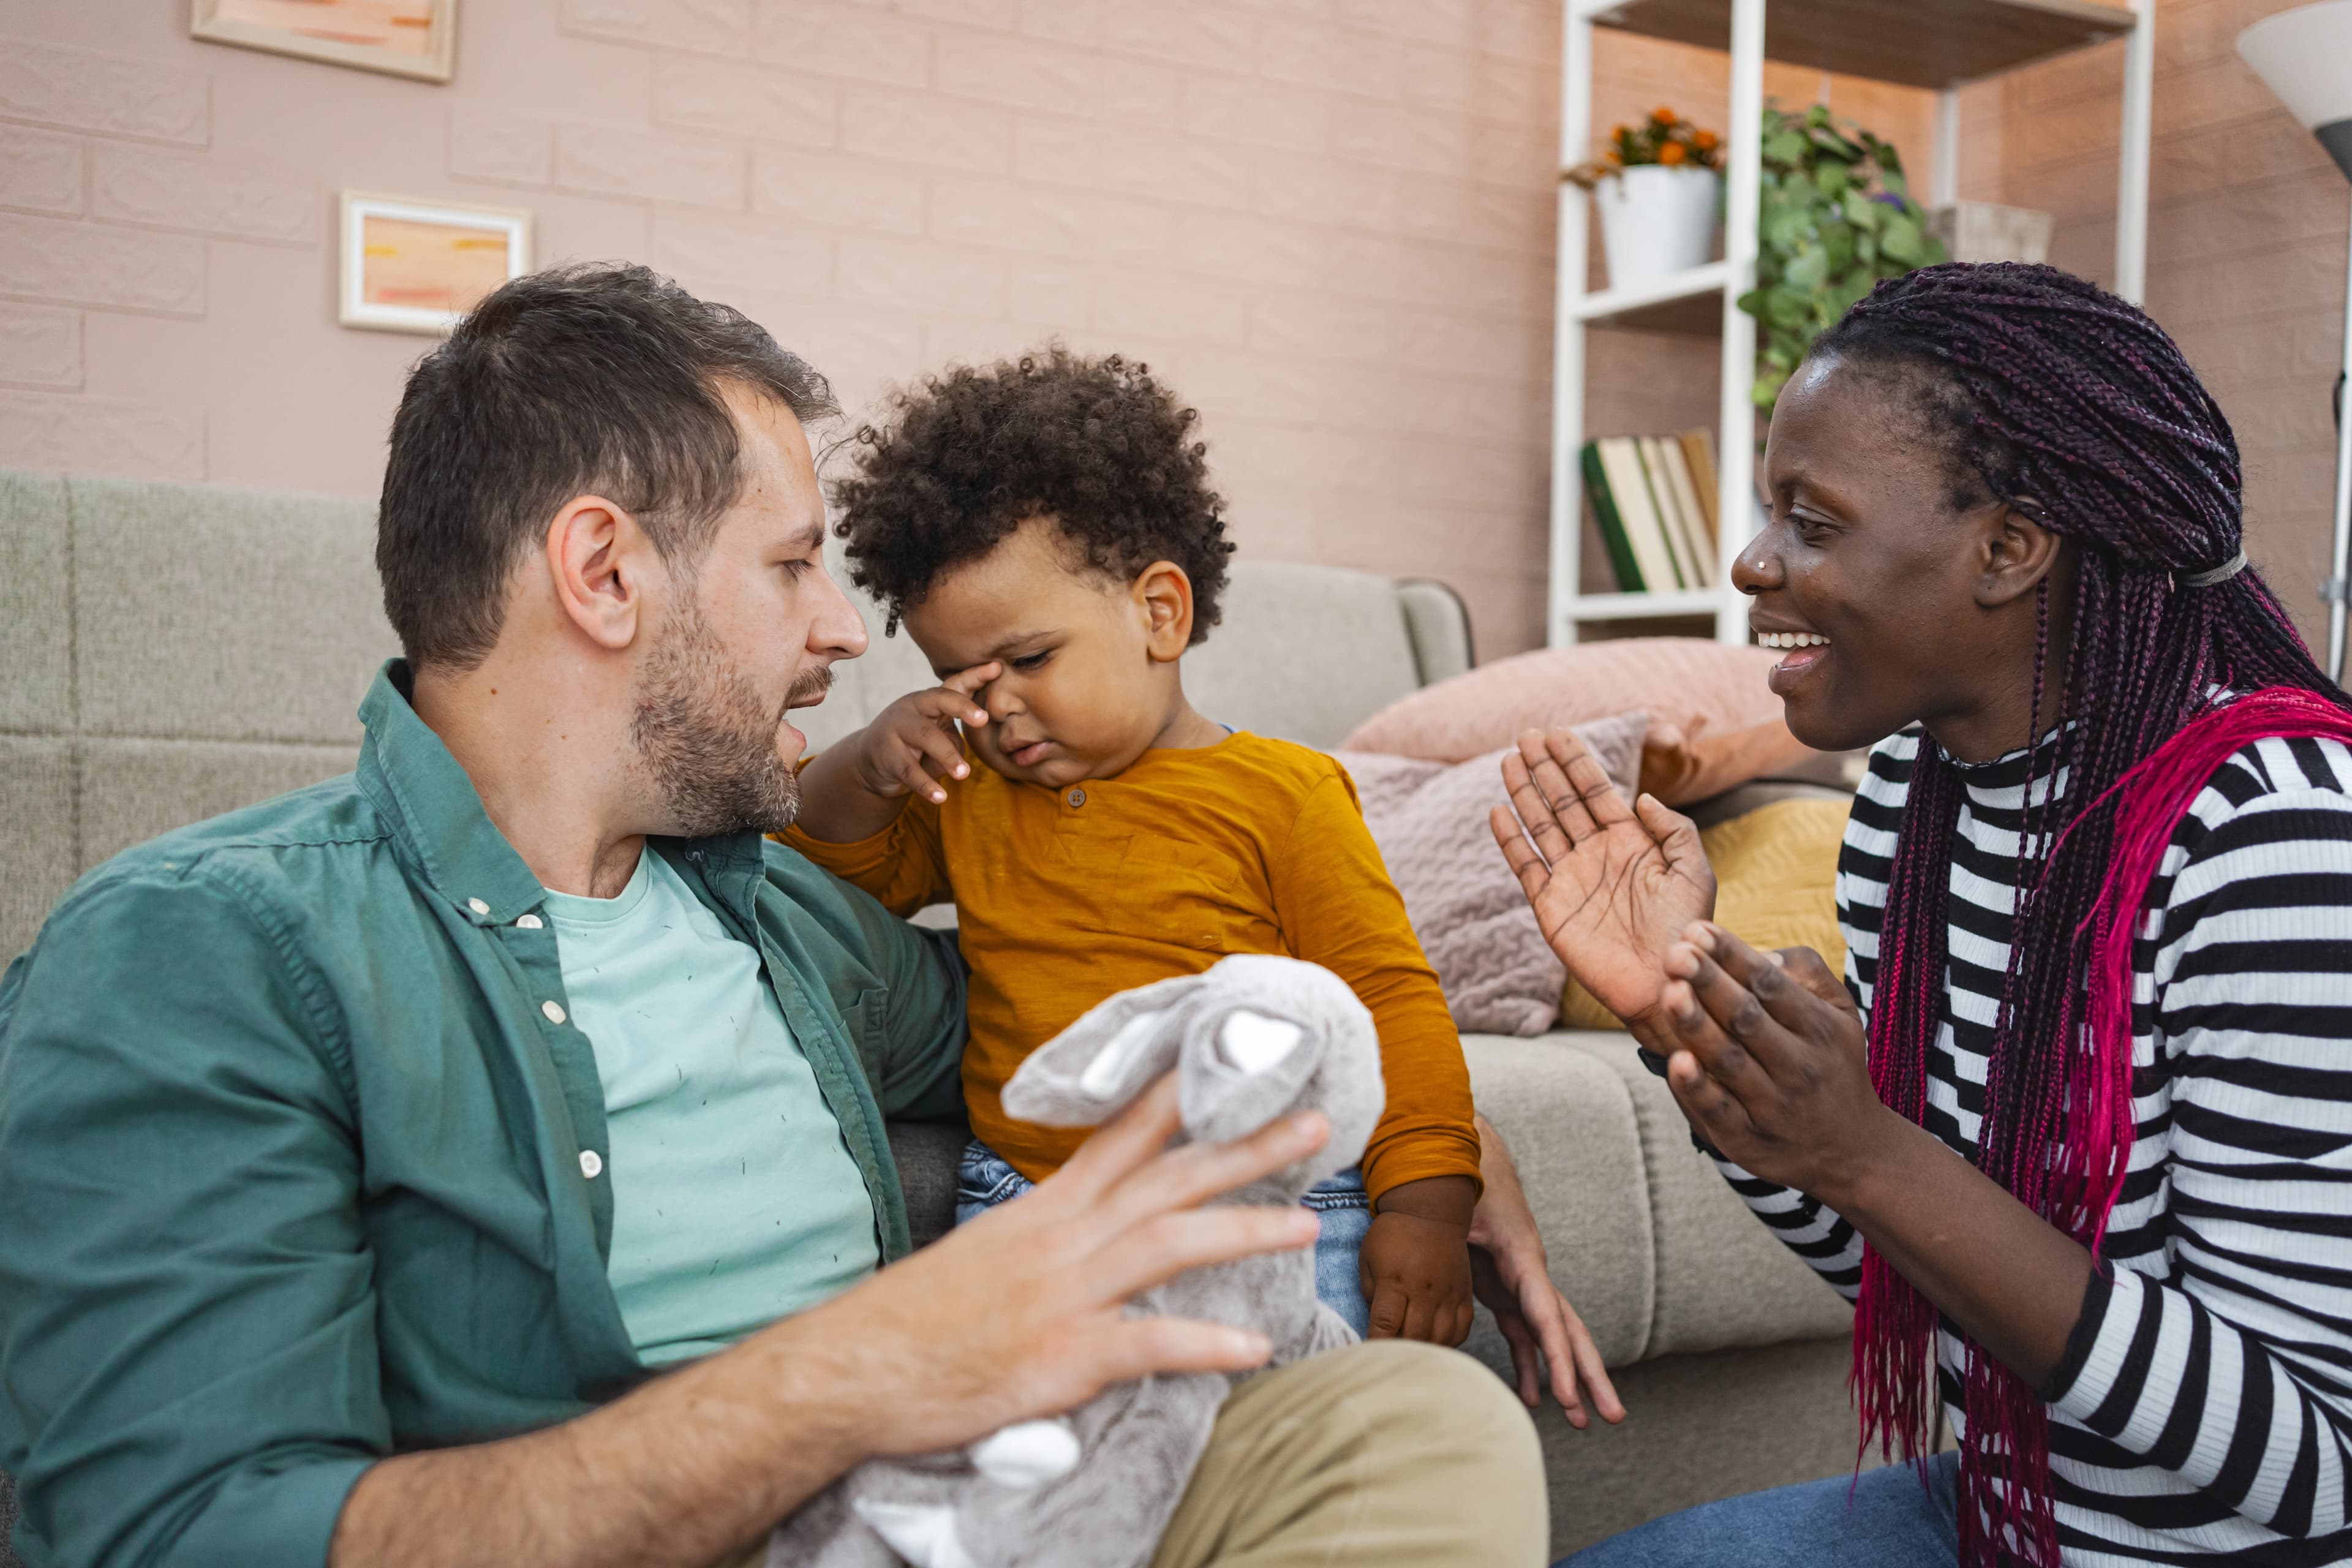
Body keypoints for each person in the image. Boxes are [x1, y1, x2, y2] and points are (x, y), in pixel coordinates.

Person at [0, 263, 1551, 1568]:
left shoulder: (788, 923)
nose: (841, 631)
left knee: (1408, 1431)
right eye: (797, 563)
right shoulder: (209, 948)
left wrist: (1395, 1135)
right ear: (604, 572)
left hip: (954, 1510)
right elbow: (187, 1527)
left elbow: (1093, 1006)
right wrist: (854, 1372)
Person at [1492, 263, 2352, 1567]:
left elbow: (2313, 1459)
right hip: (2007, 1520)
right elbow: (1927, 1276)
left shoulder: (2276, 833)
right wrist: (1692, 1021)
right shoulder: (1914, 798)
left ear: (2008, 548)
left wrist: (1867, 1153)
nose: (1751, 560)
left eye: (1813, 521)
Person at [779, 349, 1614, 1401]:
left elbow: (1388, 1003)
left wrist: (1426, 1207)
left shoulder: (1286, 794)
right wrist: (867, 759)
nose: (995, 708)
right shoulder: (973, 792)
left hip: (1279, 1218)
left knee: (1294, 1473)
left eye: (1029, 661)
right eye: (959, 679)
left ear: (1160, 614)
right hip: (1033, 1211)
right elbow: (824, 870)